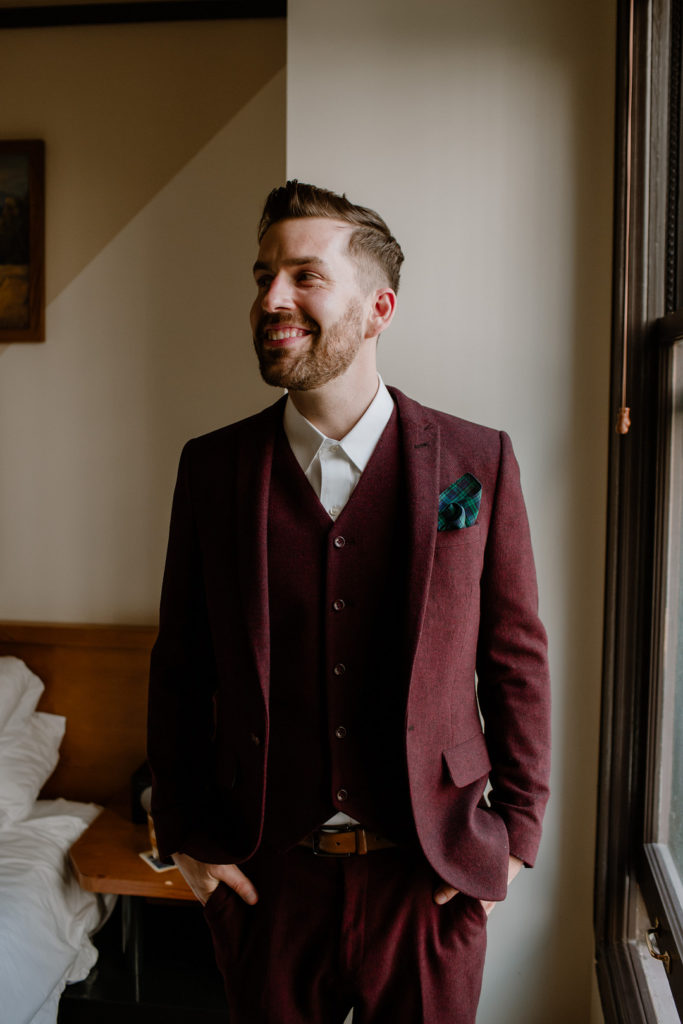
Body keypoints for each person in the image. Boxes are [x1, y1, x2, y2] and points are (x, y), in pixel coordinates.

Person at [147, 180, 551, 1024]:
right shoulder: (213, 470)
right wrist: (181, 833)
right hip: (268, 878)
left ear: (378, 307)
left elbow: (513, 658)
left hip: (426, 875)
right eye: (262, 277)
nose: (271, 299)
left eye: (303, 275)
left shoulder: (479, 461)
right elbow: (181, 665)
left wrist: (515, 834)